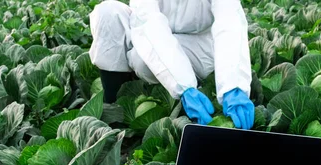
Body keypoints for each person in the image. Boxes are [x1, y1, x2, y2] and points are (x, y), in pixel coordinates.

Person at [88, 0, 255, 130]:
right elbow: (149, 22)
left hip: (200, 44)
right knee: (108, 12)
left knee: (142, 60)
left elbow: (229, 21)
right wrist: (184, 86)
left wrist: (233, 85)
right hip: (153, 33)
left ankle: (198, 88)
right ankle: (114, 105)